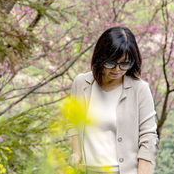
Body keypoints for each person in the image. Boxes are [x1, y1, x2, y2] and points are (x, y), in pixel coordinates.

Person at [67, 26, 158, 174]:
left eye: (124, 64)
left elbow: (148, 137)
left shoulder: (139, 90)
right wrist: (76, 154)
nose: (117, 70)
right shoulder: (81, 84)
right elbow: (73, 123)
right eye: (111, 63)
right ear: (100, 57)